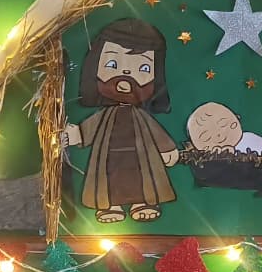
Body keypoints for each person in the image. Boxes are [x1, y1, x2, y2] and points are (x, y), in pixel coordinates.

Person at [63, 18, 180, 223]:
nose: (126, 73)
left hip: (140, 158)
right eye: (112, 64)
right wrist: (77, 134)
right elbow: (91, 128)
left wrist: (167, 148)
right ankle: (111, 206)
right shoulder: (105, 115)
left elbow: (156, 132)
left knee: (141, 178)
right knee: (110, 178)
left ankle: (142, 203)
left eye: (143, 68)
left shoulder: (141, 116)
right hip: (109, 158)